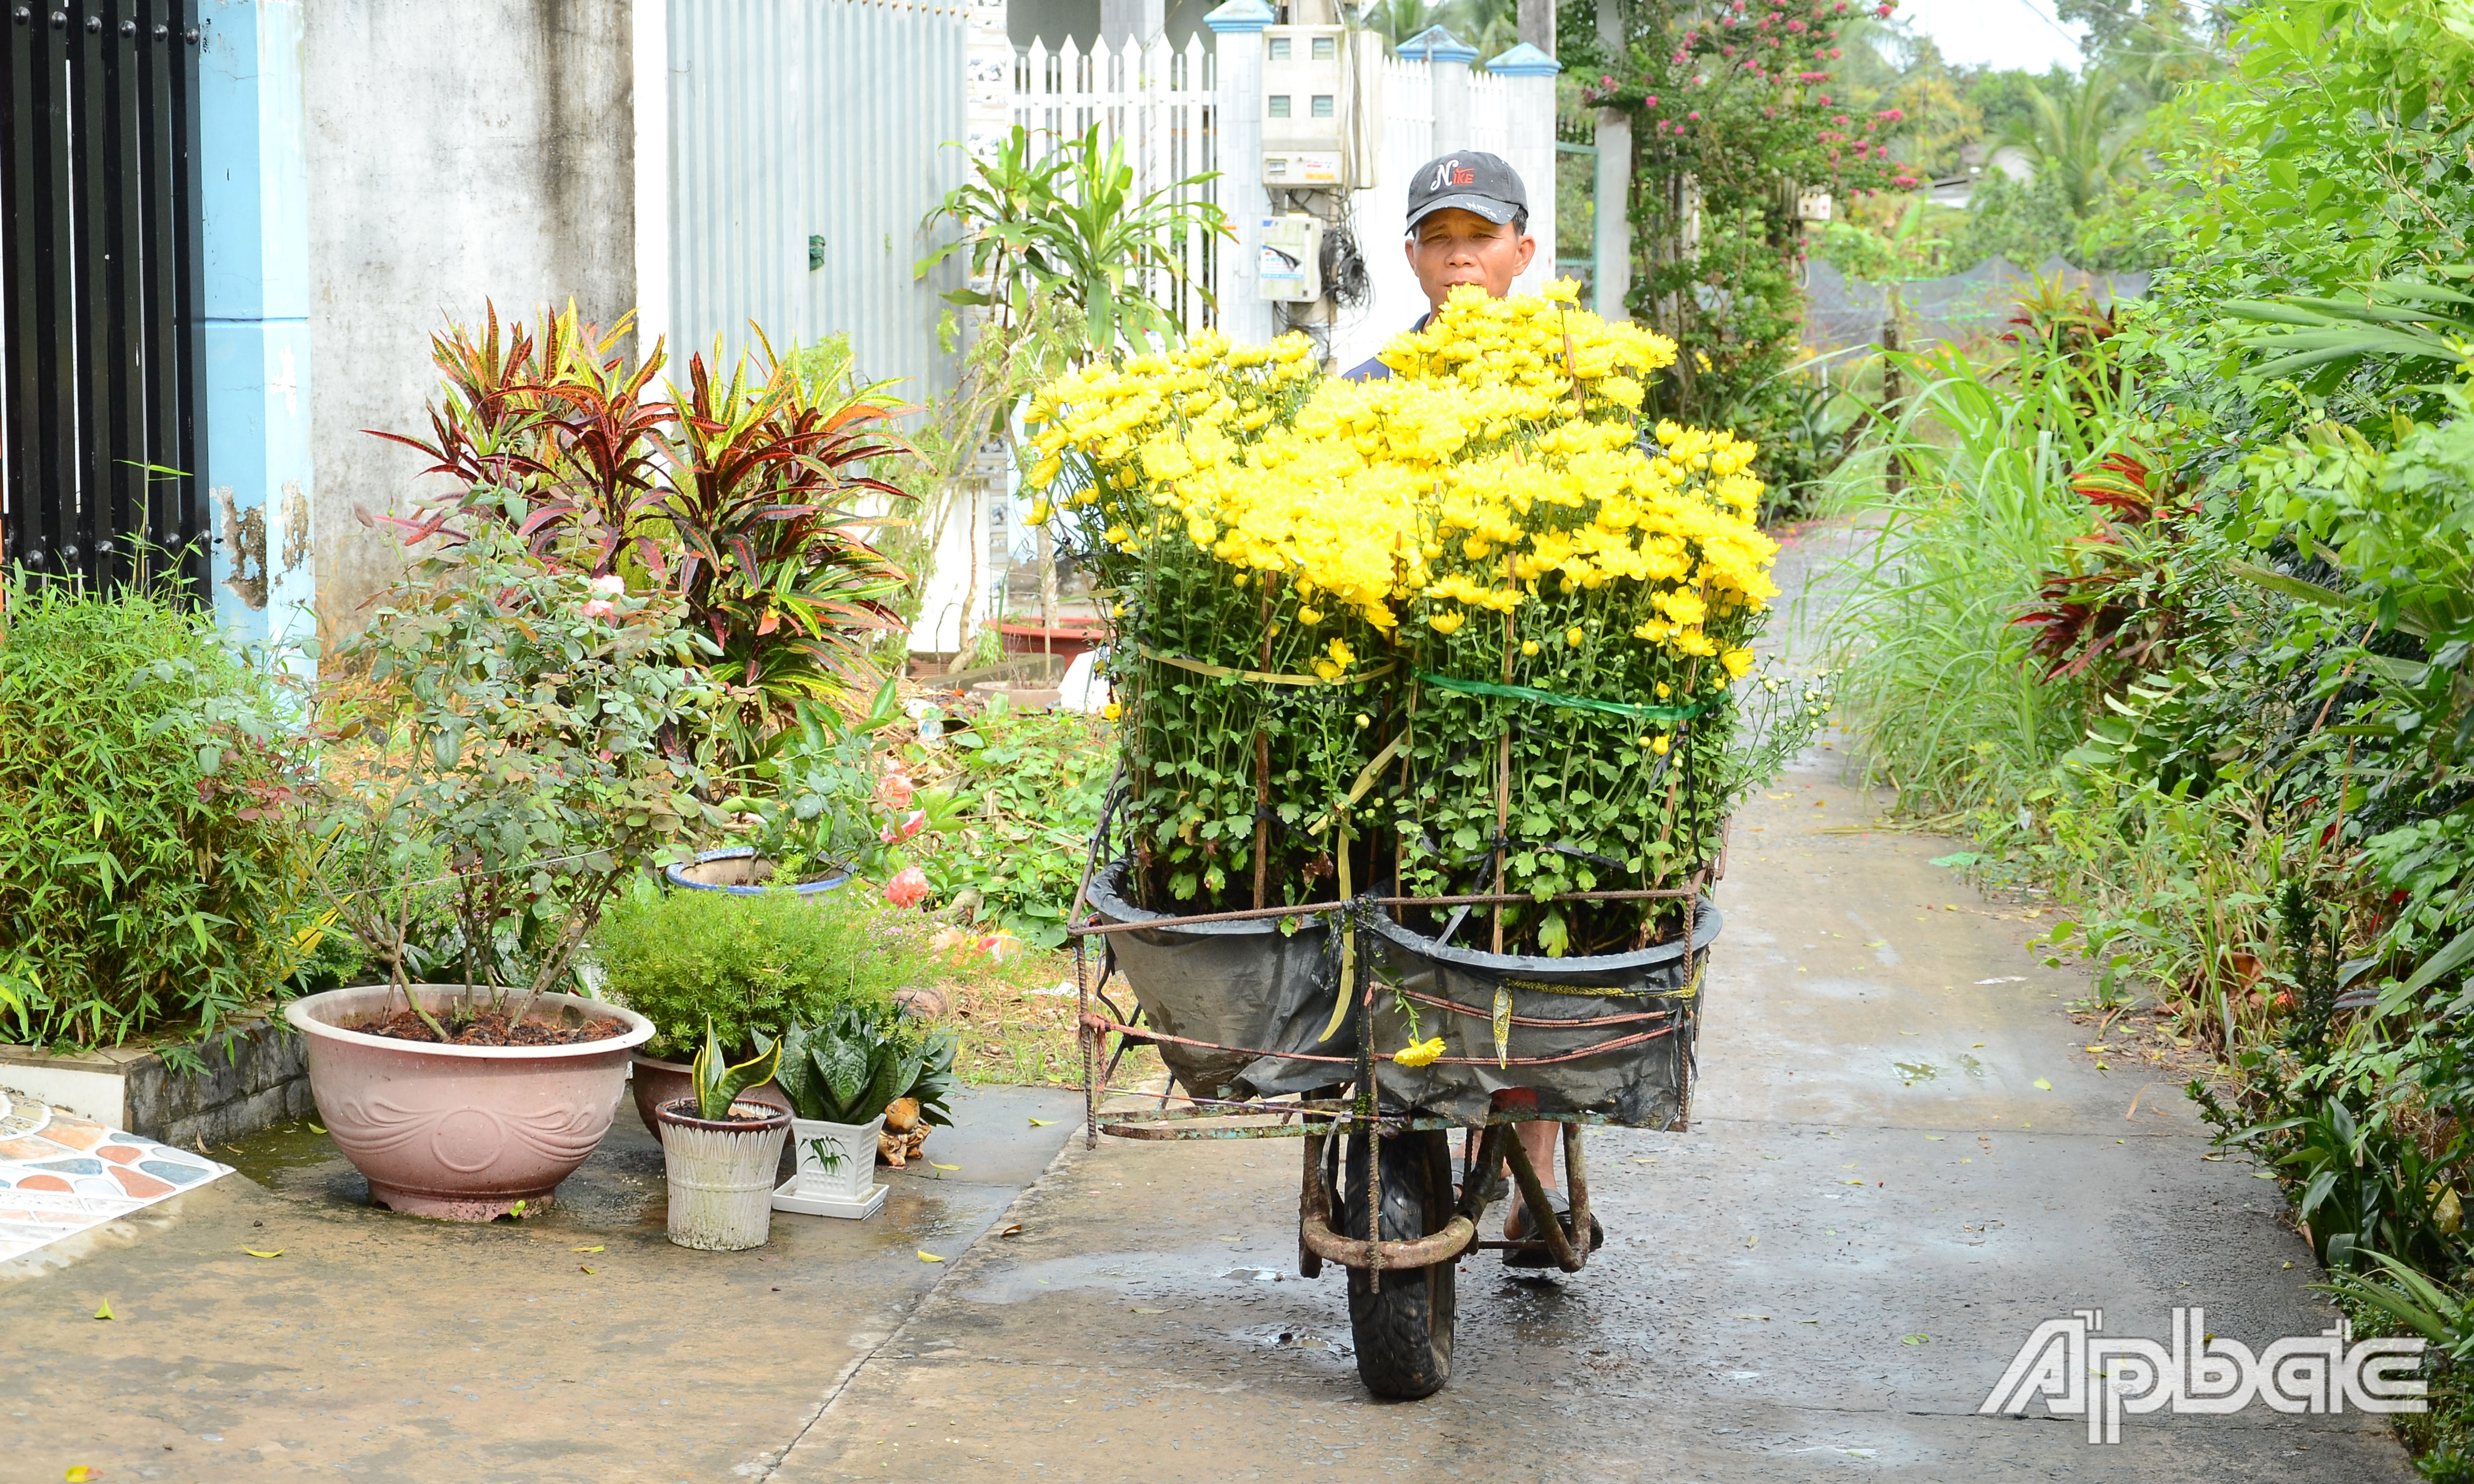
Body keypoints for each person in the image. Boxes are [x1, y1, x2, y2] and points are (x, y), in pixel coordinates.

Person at [1348, 150, 1606, 1268]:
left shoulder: (1580, 387)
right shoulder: (1369, 392)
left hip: (1535, 710)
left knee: (1544, 927)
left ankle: (1534, 1173)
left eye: (1480, 235)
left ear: (1523, 252)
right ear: (1410, 256)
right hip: (1391, 719)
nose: (1459, 256)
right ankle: (1378, 1116)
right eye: (1438, 237)